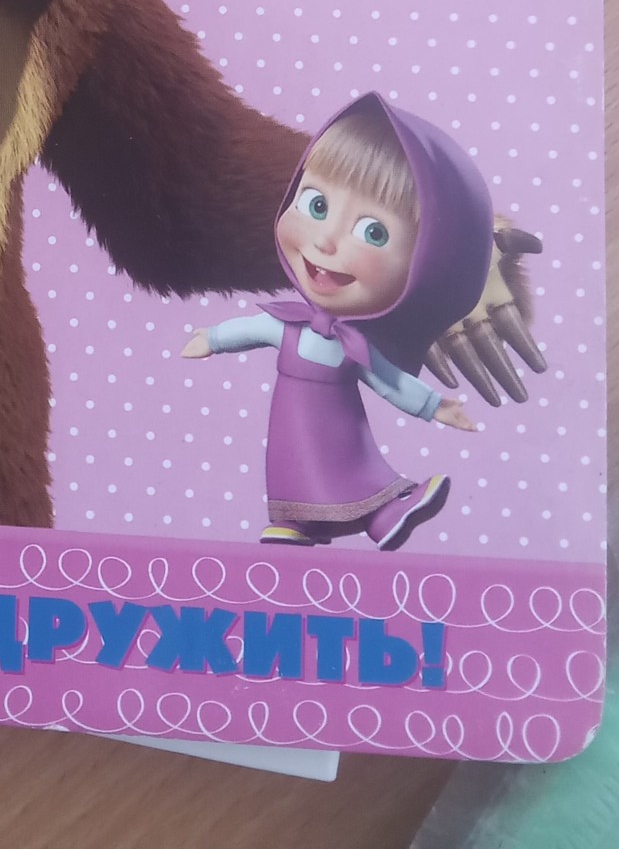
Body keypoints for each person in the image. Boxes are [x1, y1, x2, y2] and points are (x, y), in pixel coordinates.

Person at [182, 93, 494, 550]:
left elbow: (387, 381)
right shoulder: (288, 326)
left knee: (351, 470)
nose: (325, 242)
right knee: (290, 465)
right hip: (290, 427)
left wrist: (434, 406)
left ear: (424, 263)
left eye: (374, 232)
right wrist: (212, 338)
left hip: (339, 433)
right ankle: (292, 521)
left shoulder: (353, 346)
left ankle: (386, 514)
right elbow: (250, 330)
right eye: (315, 205)